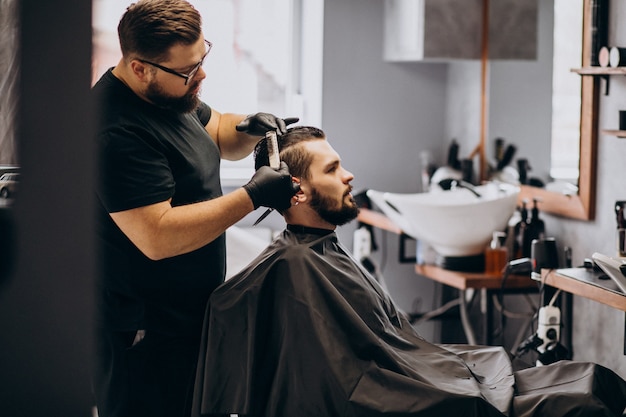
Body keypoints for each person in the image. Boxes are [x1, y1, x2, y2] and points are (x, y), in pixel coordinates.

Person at [193, 126, 626, 417]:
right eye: (332, 169)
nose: (349, 176)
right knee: (581, 398)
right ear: (298, 191)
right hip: (407, 394)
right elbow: (344, 383)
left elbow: (390, 349)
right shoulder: (297, 266)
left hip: (423, 374)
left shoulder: (315, 253)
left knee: (588, 377)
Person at [92, 1, 300, 416]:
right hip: (145, 334)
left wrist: (250, 126)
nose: (201, 75)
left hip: (186, 321)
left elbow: (218, 130)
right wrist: (252, 196)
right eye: (189, 71)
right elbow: (158, 235)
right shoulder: (115, 131)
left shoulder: (168, 95)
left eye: (202, 57)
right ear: (140, 68)